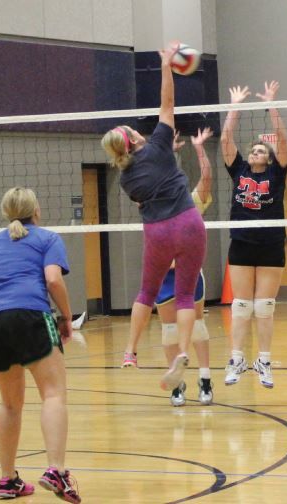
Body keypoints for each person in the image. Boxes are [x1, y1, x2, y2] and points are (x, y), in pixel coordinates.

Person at [0, 187, 80, 503]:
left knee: (10, 404)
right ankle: (56, 470)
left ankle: (8, 480)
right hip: (29, 314)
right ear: (37, 210)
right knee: (53, 393)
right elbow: (53, 280)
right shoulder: (48, 239)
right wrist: (66, 316)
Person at [101, 42, 206, 392]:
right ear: (133, 138)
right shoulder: (159, 143)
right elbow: (168, 104)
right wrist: (165, 66)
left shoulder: (126, 176)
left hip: (158, 232)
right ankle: (184, 352)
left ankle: (130, 351)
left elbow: (142, 198)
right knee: (187, 295)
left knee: (146, 293)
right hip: (188, 223)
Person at [220, 81, 287, 389]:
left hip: (271, 244)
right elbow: (225, 139)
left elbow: (284, 141)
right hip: (242, 243)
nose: (257, 151)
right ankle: (237, 358)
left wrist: (270, 104)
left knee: (264, 307)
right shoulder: (239, 171)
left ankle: (263, 360)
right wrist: (235, 107)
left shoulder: (277, 172)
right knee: (241, 305)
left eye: (262, 149)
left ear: (269, 156)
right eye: (254, 149)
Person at [155, 128, 216, 406]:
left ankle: (205, 379)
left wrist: (199, 148)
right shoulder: (153, 207)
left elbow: (206, 178)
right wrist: (168, 152)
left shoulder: (191, 205)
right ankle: (176, 383)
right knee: (169, 330)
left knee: (198, 328)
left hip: (190, 274)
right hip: (164, 277)